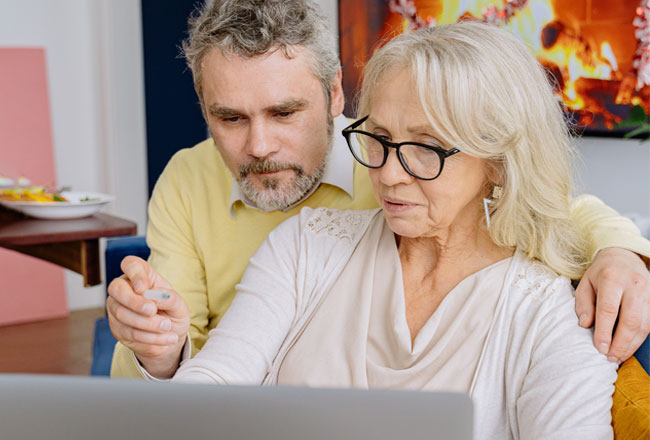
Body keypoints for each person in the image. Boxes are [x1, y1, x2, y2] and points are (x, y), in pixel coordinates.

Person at [108, 0, 650, 380]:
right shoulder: (192, 178)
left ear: (336, 93)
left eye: (285, 112)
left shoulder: (389, 163)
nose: (259, 145)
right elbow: (189, 370)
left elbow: (551, 206)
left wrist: (618, 250)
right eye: (229, 118)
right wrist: (158, 351)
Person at [171, 21, 621, 437]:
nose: (388, 174)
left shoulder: (551, 315)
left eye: (426, 147)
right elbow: (215, 380)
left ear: (500, 164)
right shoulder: (304, 245)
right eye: (380, 139)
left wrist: (623, 251)